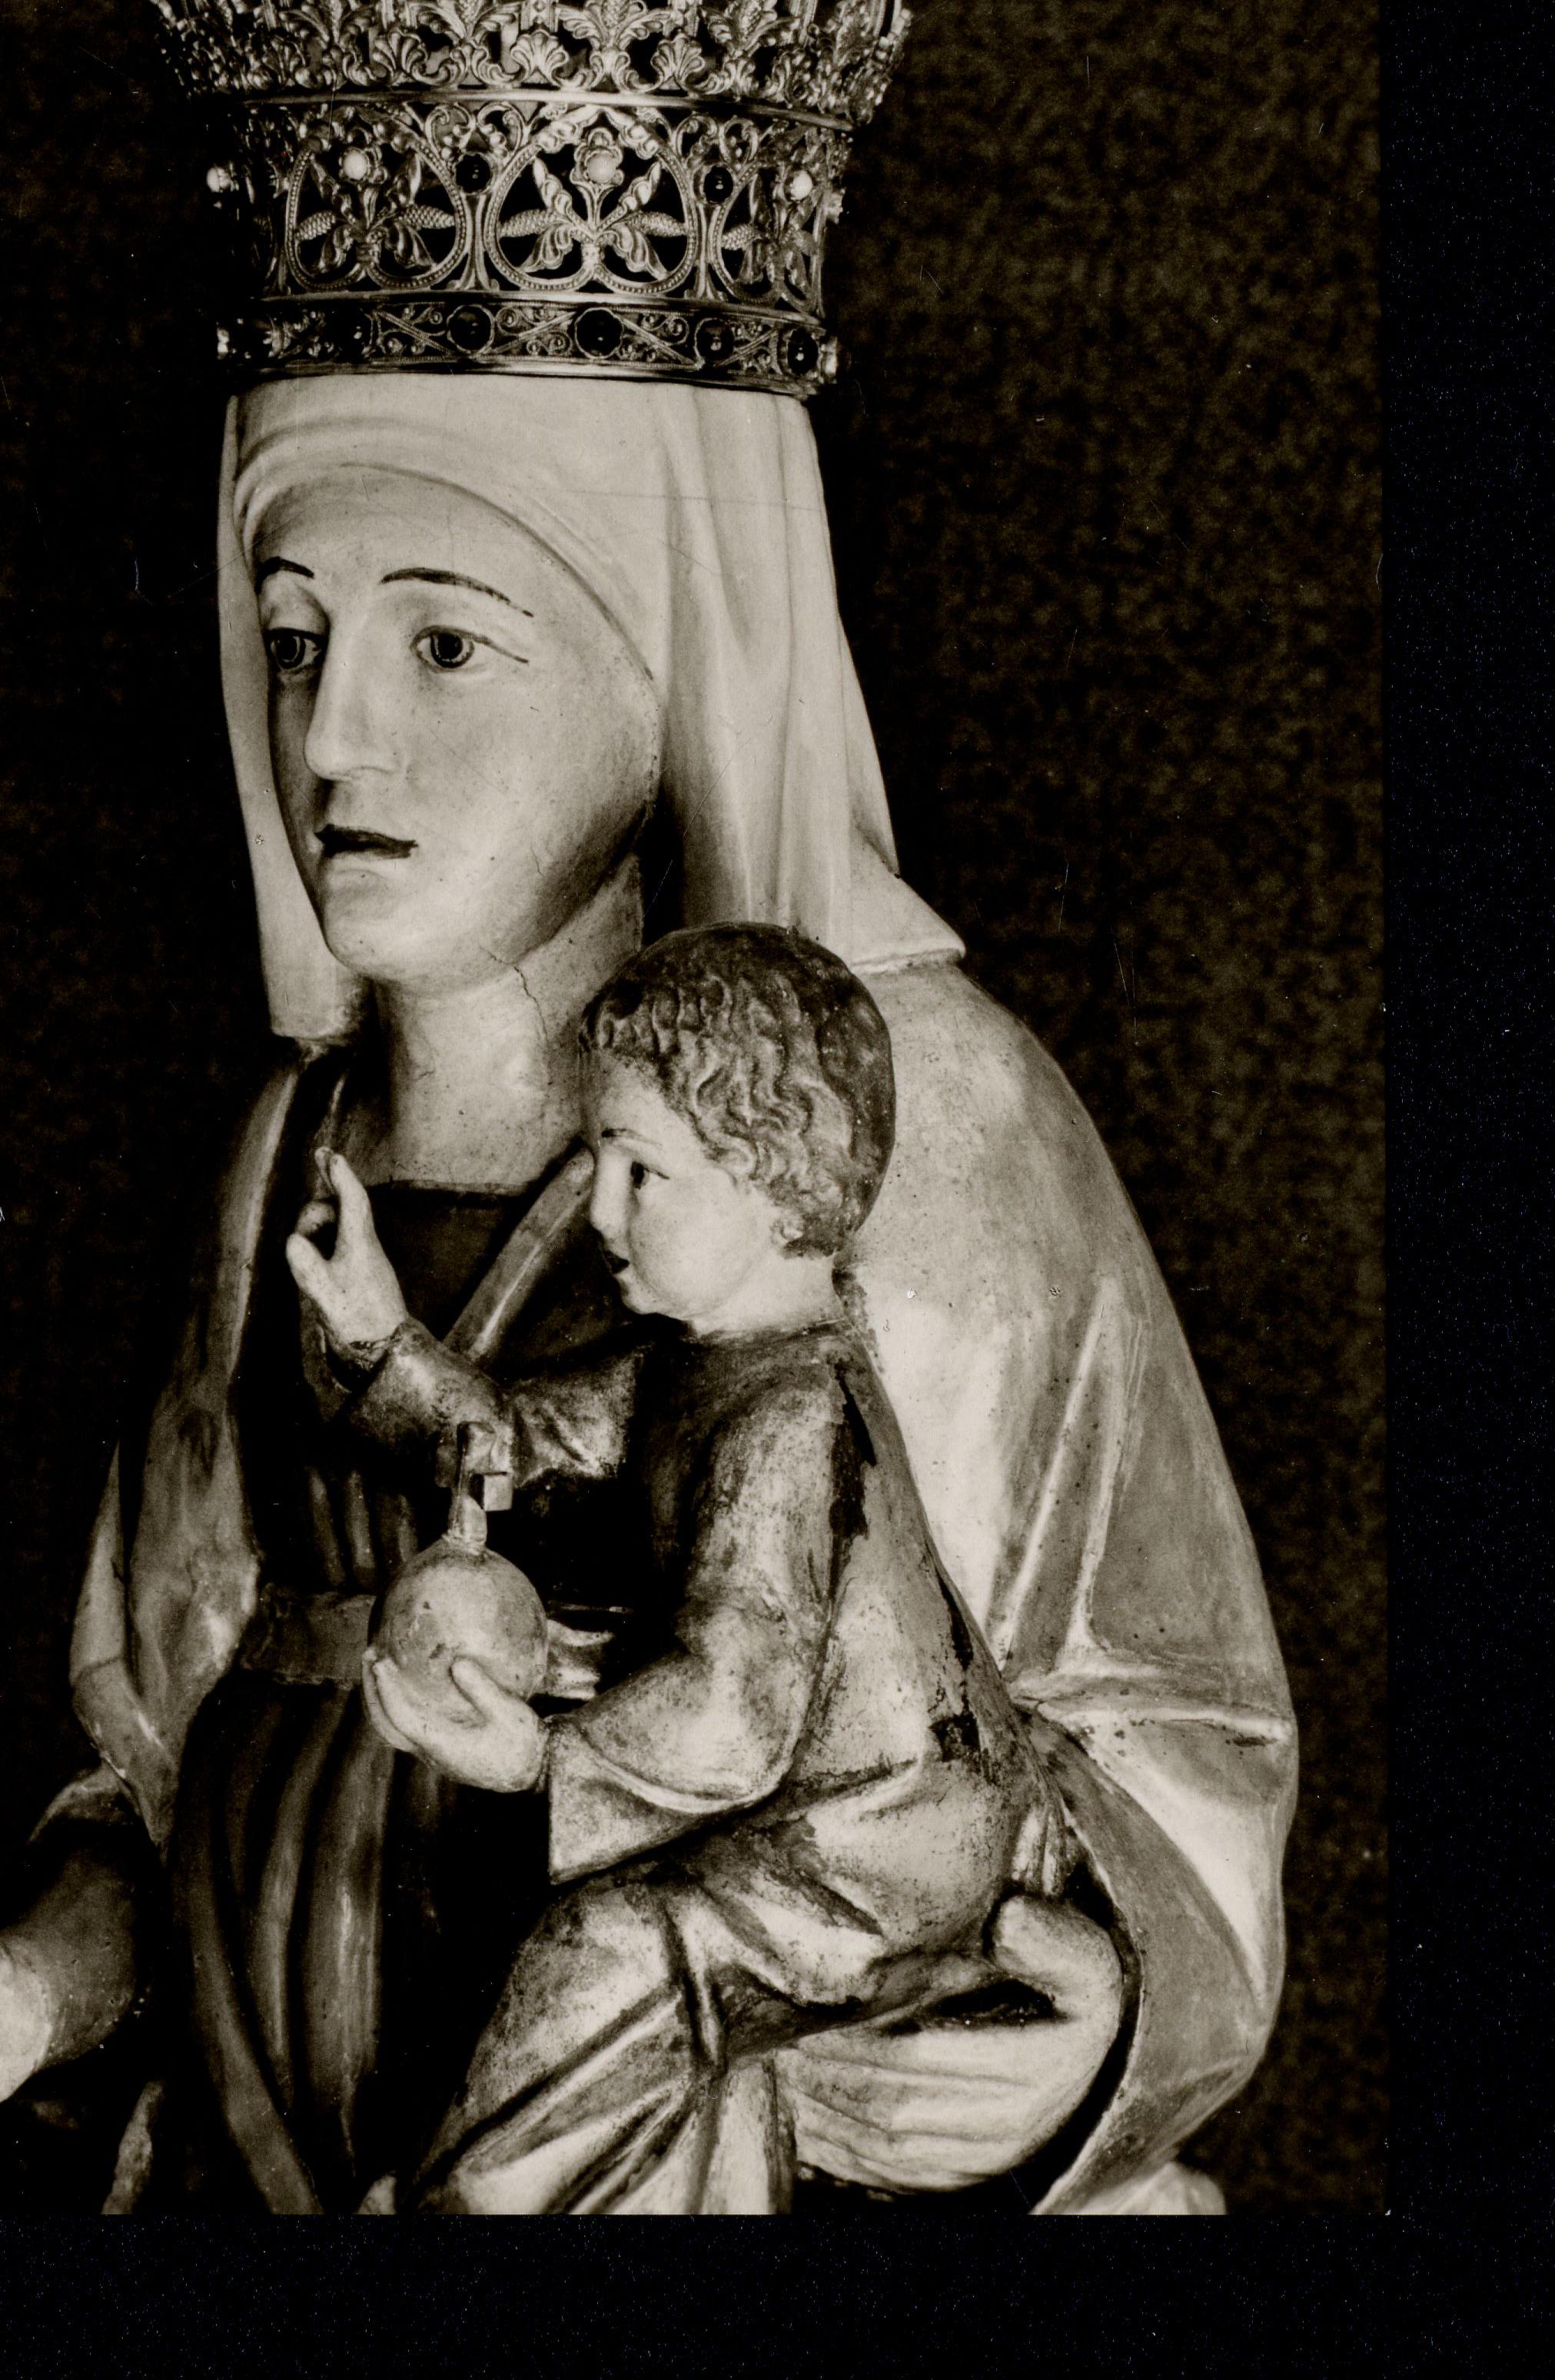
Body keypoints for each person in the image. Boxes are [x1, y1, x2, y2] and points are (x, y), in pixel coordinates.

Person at [0, 369, 1296, 2214]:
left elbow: (1150, 1743)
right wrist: (20, 1991)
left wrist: (1080, 2025)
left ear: (675, 659)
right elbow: (173, 1760)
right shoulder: (281, 1154)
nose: (333, 738)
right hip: (261, 2145)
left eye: (445, 646)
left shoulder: (910, 1111)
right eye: (293, 639)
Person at [286, 920, 1078, 2213]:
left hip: (872, 1843)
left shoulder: (791, 1416)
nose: (600, 1208)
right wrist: (384, 1341)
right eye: (597, 1159)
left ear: (772, 1183)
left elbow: (735, 1703)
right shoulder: (688, 1365)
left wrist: (539, 1760)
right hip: (795, 1821)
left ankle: (467, 2199)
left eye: (640, 1170)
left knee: (610, 1944)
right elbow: (514, 1442)